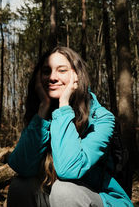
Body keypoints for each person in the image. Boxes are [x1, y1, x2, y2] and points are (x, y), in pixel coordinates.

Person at [7, 46, 133, 207]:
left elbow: (69, 169)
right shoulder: (42, 115)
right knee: (20, 186)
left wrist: (64, 105)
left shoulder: (102, 118)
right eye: (46, 71)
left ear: (77, 76)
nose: (52, 77)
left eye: (62, 70)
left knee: (64, 191)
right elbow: (22, 167)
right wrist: (43, 109)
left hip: (104, 200)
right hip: (60, 198)